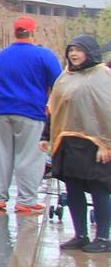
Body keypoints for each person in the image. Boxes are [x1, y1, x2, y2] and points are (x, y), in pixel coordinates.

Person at [43, 35, 111, 252]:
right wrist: (46, 136)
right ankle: (80, 234)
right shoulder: (65, 77)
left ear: (89, 52)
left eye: (79, 50)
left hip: (94, 143)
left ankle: (103, 237)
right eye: (71, 49)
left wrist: (106, 144)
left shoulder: (103, 75)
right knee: (73, 189)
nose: (74, 54)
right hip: (68, 141)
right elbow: (55, 108)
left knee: (99, 189)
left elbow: (108, 110)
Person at [0, 15, 60, 215]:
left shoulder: (3, 54)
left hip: (2, 111)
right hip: (31, 112)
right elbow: (59, 83)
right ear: (33, 32)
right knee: (29, 157)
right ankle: (26, 201)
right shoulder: (44, 55)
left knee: (1, 155)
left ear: (15, 32)